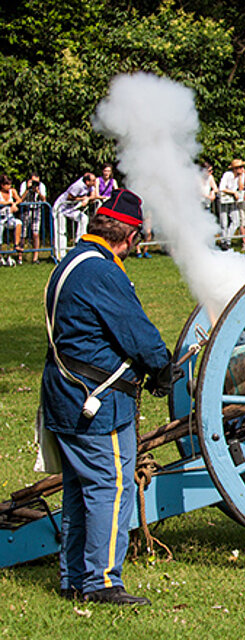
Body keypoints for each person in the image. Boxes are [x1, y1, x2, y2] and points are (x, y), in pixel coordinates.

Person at [41, 189, 179, 605]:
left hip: (66, 393)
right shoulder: (103, 272)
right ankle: (100, 582)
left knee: (78, 488)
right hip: (97, 400)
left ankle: (73, 579)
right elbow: (136, 331)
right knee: (110, 487)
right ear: (131, 235)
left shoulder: (72, 263)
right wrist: (163, 367)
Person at [52, 172, 97, 261]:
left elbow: (93, 196)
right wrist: (82, 199)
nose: (95, 182)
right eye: (93, 180)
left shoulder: (90, 186)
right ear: (87, 182)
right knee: (61, 231)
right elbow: (70, 197)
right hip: (61, 208)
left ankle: (79, 240)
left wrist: (87, 198)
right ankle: (60, 255)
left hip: (71, 208)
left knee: (83, 218)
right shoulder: (78, 186)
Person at [19, 171, 47, 263]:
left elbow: (44, 200)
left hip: (36, 210)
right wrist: (28, 189)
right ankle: (20, 257)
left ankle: (35, 257)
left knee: (36, 234)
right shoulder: (24, 185)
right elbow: (20, 199)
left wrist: (38, 191)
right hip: (26, 210)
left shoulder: (41, 186)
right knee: (23, 234)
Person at [218, 159, 245, 250]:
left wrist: (241, 177)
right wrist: (233, 192)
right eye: (241, 167)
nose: (243, 169)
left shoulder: (240, 176)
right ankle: (223, 241)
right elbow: (222, 188)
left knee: (236, 221)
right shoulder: (227, 175)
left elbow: (241, 188)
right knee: (224, 222)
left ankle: (227, 240)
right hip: (224, 199)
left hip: (233, 201)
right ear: (235, 168)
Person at [0, 174, 24, 265]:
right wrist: (7, 203)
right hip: (0, 218)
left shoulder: (12, 191)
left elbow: (19, 199)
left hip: (9, 217)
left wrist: (14, 204)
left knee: (18, 223)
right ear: (2, 185)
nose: (9, 186)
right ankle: (1, 256)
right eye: (7, 184)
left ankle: (16, 245)